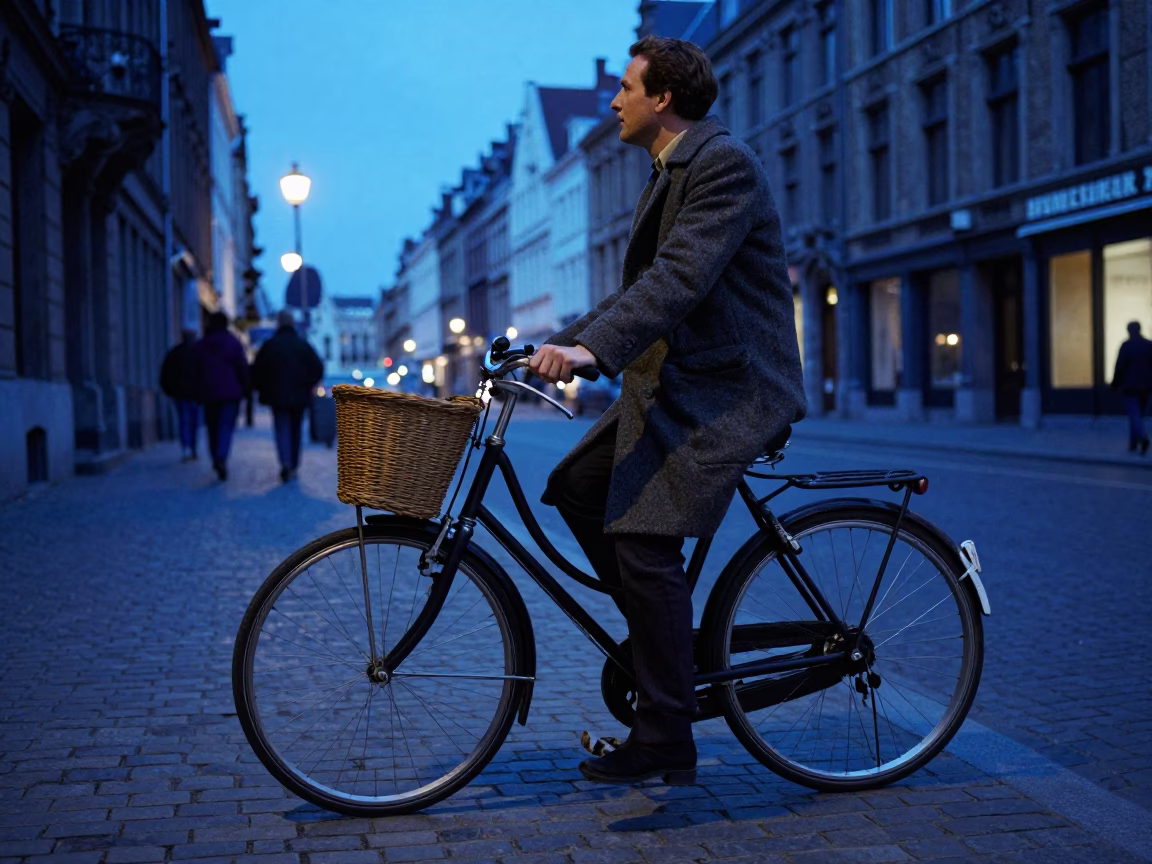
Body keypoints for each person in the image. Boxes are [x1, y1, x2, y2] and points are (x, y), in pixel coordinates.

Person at [528, 36, 806, 785]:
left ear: (663, 99)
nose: (614, 101)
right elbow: (636, 291)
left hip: (732, 388)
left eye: (625, 88)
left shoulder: (722, 164)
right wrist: (551, 345)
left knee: (645, 547)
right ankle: (667, 647)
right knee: (580, 488)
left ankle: (666, 734)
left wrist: (594, 354)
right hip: (681, 380)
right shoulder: (667, 168)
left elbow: (679, 279)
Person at [252, 310, 325, 482]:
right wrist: (308, 383)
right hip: (299, 395)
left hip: (276, 395)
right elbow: (318, 367)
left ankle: (284, 461)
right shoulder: (302, 345)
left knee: (281, 427)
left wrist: (263, 387)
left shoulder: (270, 345)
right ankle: (293, 463)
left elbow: (257, 370)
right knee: (296, 429)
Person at [195, 311, 250, 481]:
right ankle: (222, 456)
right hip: (230, 392)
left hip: (208, 392)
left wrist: (197, 390)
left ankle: (215, 457)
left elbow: (196, 370)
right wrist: (245, 387)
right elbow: (242, 366)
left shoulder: (202, 344)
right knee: (226, 427)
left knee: (212, 428)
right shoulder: (233, 343)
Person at [1111, 320, 1152, 455]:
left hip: (1130, 385)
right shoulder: (1148, 345)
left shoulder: (1127, 345)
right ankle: (1133, 444)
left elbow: (1120, 366)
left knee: (1134, 414)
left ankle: (1142, 437)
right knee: (1138, 413)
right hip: (1146, 386)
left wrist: (1115, 384)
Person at [160, 329, 201, 461]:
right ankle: (192, 447)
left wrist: (169, 390)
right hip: (195, 394)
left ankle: (187, 449)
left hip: (181, 394)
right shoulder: (198, 352)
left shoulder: (175, 352)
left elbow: (166, 373)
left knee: (184, 421)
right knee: (194, 422)